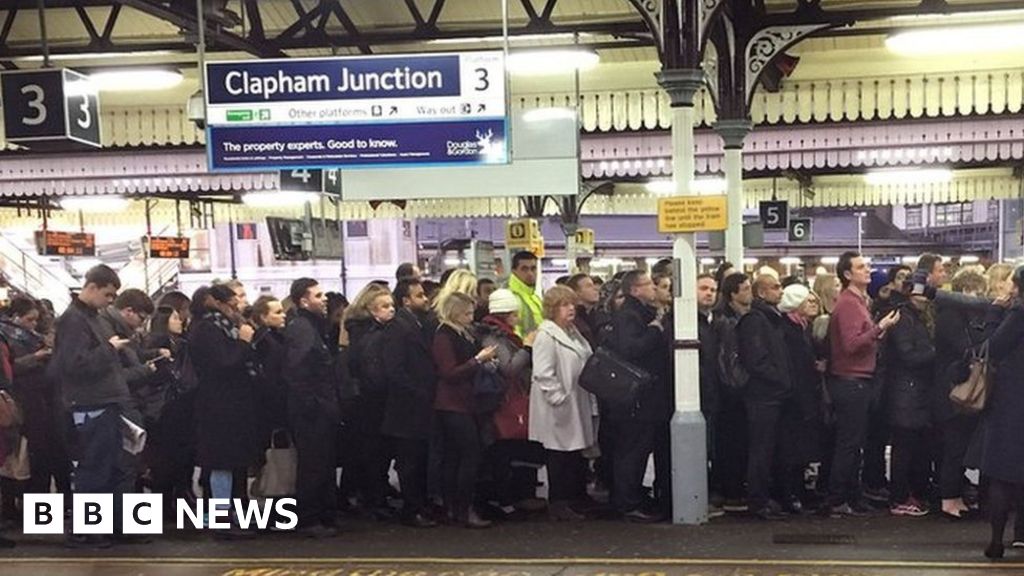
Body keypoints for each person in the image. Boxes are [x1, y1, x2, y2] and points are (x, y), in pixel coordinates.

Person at [49, 265, 132, 547]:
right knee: (94, 468)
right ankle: (85, 529)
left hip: (103, 401)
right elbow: (74, 365)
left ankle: (100, 525)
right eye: (108, 294)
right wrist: (110, 349)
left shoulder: (91, 317)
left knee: (106, 467)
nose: (111, 301)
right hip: (91, 402)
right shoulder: (73, 321)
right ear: (93, 287)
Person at [825, 252, 901, 518]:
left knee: (854, 442)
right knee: (849, 443)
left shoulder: (857, 301)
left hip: (857, 379)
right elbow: (851, 344)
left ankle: (851, 496)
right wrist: (880, 328)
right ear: (847, 274)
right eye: (860, 267)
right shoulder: (848, 304)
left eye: (867, 266)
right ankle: (837, 499)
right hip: (851, 380)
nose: (867, 270)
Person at [189, 284, 259, 538]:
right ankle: (221, 517)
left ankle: (234, 514)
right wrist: (242, 342)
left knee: (233, 462)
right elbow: (225, 362)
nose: (237, 307)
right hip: (218, 405)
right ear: (217, 303)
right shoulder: (207, 329)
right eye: (233, 303)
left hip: (233, 404)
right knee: (221, 462)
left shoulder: (220, 327)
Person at [605, 271, 669, 523]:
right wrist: (654, 330)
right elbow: (631, 349)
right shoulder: (630, 317)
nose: (653, 288)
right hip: (637, 398)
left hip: (644, 397)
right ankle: (626, 502)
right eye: (648, 284)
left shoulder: (637, 313)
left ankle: (630, 496)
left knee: (637, 449)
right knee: (632, 449)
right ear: (635, 290)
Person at [433, 292, 497, 528]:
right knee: (469, 454)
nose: (471, 318)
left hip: (465, 401)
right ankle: (462, 506)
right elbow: (448, 372)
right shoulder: (444, 335)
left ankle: (455, 506)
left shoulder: (462, 332)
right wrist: (478, 360)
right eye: (467, 313)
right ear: (455, 313)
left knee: (456, 456)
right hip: (452, 403)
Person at [530, 285, 594, 521]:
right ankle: (558, 502)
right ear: (552, 309)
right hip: (557, 405)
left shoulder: (572, 331)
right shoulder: (547, 335)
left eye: (572, 304)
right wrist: (557, 397)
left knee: (574, 453)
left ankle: (575, 498)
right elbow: (543, 372)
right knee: (559, 455)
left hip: (576, 400)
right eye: (564, 305)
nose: (571, 309)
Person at [284, 279, 341, 537]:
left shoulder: (313, 326)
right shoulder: (302, 328)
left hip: (320, 407)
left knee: (324, 463)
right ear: (304, 300)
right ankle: (309, 518)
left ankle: (325, 514)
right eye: (318, 295)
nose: (324, 299)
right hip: (312, 411)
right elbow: (298, 371)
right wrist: (313, 404)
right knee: (313, 465)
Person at [0, 298, 69, 507]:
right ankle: (28, 510)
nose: (32, 324)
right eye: (29, 319)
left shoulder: (32, 335)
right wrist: (36, 358)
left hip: (44, 402)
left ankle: (47, 510)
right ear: (15, 316)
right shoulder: (8, 336)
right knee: (30, 459)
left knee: (48, 456)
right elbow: (9, 369)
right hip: (24, 402)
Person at [382, 278, 438, 528]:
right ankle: (412, 507)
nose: (425, 299)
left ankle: (420, 504)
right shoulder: (399, 328)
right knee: (409, 461)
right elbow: (394, 369)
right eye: (419, 296)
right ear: (405, 301)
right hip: (406, 407)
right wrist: (419, 391)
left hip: (418, 405)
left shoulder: (417, 324)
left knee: (419, 458)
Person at [977, 268, 1024, 559]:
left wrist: (995, 314)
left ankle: (996, 540)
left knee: (1002, 474)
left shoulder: (1018, 314)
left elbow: (992, 348)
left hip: (1012, 399)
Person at [737, 274, 792, 520]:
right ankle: (758, 501)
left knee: (770, 448)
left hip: (771, 394)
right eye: (775, 287)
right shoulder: (756, 321)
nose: (780, 291)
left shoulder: (770, 319)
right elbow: (756, 359)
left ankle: (766, 497)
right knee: (761, 449)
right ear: (761, 292)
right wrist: (781, 379)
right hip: (763, 395)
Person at [884, 282, 935, 518]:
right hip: (907, 390)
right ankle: (900, 497)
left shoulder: (909, 317)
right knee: (904, 447)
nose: (924, 299)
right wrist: (936, 353)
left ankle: (906, 494)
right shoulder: (905, 319)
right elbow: (907, 355)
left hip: (910, 390)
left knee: (910, 447)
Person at [345, 283, 396, 518]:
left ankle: (369, 496)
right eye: (385, 306)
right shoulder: (374, 336)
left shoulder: (359, 332)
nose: (391, 310)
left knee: (370, 452)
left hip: (365, 401)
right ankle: (375, 500)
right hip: (373, 401)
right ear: (372, 310)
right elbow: (374, 371)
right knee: (375, 452)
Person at [144, 305, 197, 515]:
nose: (180, 321)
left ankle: (178, 494)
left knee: (180, 455)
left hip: (180, 406)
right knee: (165, 458)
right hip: (165, 408)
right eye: (174, 318)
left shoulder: (183, 345)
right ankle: (165, 501)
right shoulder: (157, 346)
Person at [778, 284, 825, 511]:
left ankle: (799, 489)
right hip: (795, 398)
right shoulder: (789, 330)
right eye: (808, 300)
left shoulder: (802, 328)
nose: (813, 303)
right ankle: (790, 492)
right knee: (791, 448)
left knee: (800, 447)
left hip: (804, 396)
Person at [712, 273, 753, 512]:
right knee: (732, 442)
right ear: (733, 294)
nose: (750, 292)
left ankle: (735, 487)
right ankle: (732, 490)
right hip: (732, 391)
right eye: (745, 288)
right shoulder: (726, 322)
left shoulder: (742, 318)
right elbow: (728, 358)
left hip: (736, 388)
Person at [250, 296, 289, 454]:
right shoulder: (264, 341)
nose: (283, 315)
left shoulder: (276, 336)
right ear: (263, 317)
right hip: (272, 402)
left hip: (274, 398)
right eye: (278, 312)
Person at [507, 251, 543, 338]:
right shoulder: (510, 297)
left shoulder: (535, 297)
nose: (530, 273)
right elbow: (513, 330)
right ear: (514, 271)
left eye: (533, 268)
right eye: (524, 269)